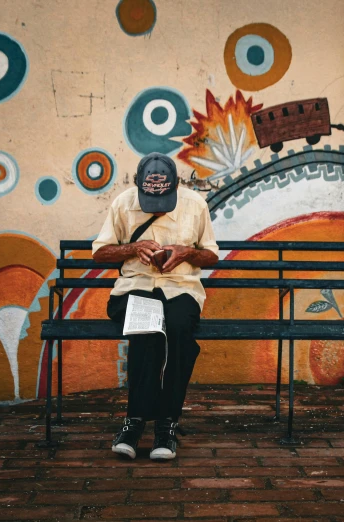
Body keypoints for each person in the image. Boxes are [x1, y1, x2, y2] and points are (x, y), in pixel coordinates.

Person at [92, 152, 219, 460]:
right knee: (146, 328)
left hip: (181, 289)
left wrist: (187, 253)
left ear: (176, 186)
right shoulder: (124, 203)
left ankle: (166, 424)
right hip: (134, 287)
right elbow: (100, 253)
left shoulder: (195, 205)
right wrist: (133, 248)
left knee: (178, 334)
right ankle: (134, 422)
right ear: (139, 187)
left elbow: (212, 256)